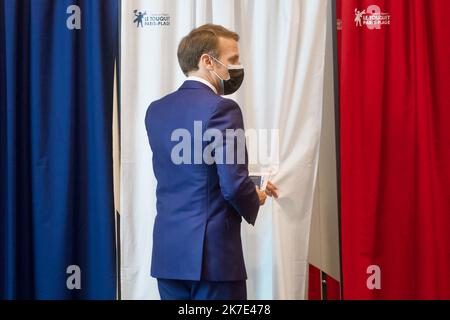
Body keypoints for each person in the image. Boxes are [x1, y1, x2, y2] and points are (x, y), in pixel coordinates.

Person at [145, 24, 279, 300]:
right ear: (208, 61)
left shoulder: (156, 111)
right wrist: (255, 196)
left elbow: (191, 170)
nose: (236, 68)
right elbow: (232, 185)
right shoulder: (222, 108)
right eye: (231, 61)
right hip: (211, 258)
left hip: (168, 255)